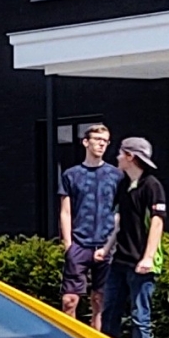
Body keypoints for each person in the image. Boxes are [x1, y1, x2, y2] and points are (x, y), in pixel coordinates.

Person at [105, 134, 167, 338]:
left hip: (141, 263)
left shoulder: (152, 186)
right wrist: (107, 248)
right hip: (120, 260)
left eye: (121, 153)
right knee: (109, 312)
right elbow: (120, 219)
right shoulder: (123, 185)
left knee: (140, 317)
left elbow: (157, 223)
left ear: (130, 156)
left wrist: (148, 258)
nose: (117, 157)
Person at [57, 120, 119, 324]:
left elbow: (120, 210)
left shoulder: (116, 175)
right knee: (69, 300)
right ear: (86, 142)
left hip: (106, 243)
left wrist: (113, 240)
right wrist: (68, 244)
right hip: (79, 243)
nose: (102, 144)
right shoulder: (71, 175)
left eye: (106, 141)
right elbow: (65, 210)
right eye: (98, 140)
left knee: (100, 299)